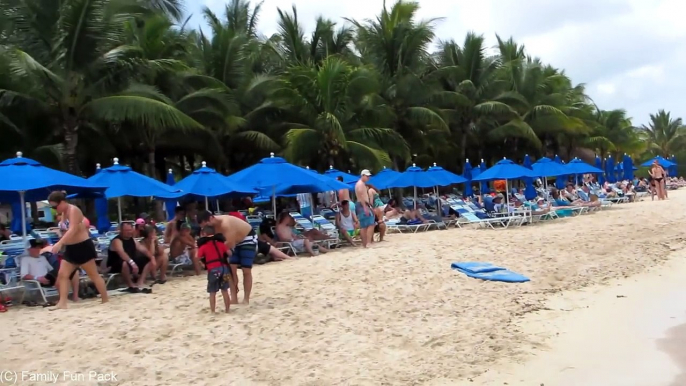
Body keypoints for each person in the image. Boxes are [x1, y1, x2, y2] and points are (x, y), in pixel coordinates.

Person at [47, 191, 108, 309]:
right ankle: (62, 302)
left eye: (55, 206)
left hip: (82, 246)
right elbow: (66, 230)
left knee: (93, 274)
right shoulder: (64, 212)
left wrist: (60, 243)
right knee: (63, 275)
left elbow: (73, 229)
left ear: (63, 202)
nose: (54, 209)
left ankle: (105, 298)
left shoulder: (73, 210)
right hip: (71, 248)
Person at [198, 211, 257, 305]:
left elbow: (230, 243)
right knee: (230, 270)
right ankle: (234, 298)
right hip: (232, 241)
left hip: (247, 237)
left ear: (211, 218)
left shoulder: (226, 224)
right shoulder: (211, 227)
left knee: (246, 270)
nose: (205, 228)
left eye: (206, 224)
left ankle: (246, 298)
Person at [21, 239, 80, 303]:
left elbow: (51, 269)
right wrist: (38, 278)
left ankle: (75, 296)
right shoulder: (25, 260)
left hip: (48, 278)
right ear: (29, 249)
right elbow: (24, 275)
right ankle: (63, 299)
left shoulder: (42, 258)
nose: (38, 250)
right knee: (60, 273)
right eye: (36, 248)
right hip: (37, 281)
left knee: (74, 272)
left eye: (39, 247)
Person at [107, 222, 155, 293]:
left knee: (148, 259)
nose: (129, 232)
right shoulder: (117, 241)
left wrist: (152, 257)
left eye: (130, 230)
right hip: (116, 264)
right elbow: (122, 253)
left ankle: (140, 282)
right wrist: (132, 263)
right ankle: (130, 285)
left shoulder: (133, 240)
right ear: (121, 230)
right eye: (126, 230)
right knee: (124, 263)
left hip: (130, 262)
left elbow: (144, 250)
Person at [197, 226, 231, 313]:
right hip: (224, 269)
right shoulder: (220, 244)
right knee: (225, 290)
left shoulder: (203, 246)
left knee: (212, 292)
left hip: (213, 270)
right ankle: (227, 310)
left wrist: (203, 264)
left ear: (204, 234)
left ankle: (213, 311)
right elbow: (229, 253)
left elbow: (197, 257)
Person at [354, 169, 376, 247]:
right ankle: (368, 242)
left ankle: (365, 244)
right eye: (367, 176)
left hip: (361, 205)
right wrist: (365, 207)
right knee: (370, 223)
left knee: (363, 225)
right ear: (362, 175)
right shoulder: (361, 184)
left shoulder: (359, 184)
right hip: (363, 205)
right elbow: (361, 195)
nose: (368, 178)